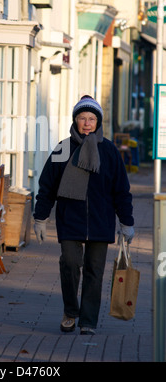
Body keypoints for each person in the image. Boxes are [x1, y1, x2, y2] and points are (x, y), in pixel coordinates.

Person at [33, 95, 134, 336]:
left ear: (98, 122)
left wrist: (126, 222)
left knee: (94, 271)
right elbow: (47, 185)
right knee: (69, 263)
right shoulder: (63, 148)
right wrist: (40, 217)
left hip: (100, 221)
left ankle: (88, 321)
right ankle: (71, 311)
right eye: (82, 118)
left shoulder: (109, 151)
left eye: (91, 118)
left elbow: (121, 189)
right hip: (70, 219)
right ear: (75, 120)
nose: (87, 123)